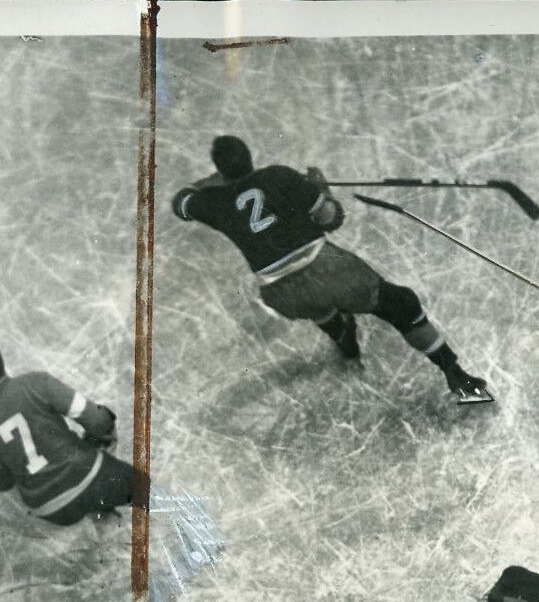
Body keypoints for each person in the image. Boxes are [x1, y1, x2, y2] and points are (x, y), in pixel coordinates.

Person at [170, 135, 493, 405]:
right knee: (401, 303)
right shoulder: (281, 176)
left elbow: (180, 202)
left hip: (279, 292)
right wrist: (321, 190)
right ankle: (457, 375)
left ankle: (345, 341)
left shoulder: (213, 201)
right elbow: (332, 219)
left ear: (219, 168)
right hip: (328, 271)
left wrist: (214, 184)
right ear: (250, 157)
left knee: (317, 305)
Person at [0, 335, 142, 526]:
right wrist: (105, 424)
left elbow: (1, 483)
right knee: (144, 488)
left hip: (53, 510)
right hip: (91, 479)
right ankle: (103, 499)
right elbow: (98, 421)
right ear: (0, 356)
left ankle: (97, 511)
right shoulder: (37, 382)